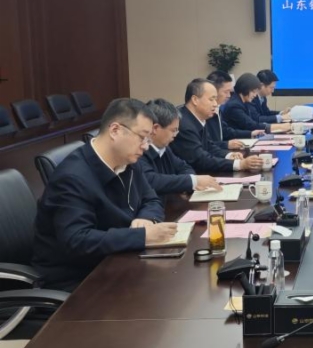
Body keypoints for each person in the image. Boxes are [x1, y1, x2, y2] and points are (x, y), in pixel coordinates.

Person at [32, 98, 177, 291]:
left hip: (117, 260)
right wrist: (141, 236)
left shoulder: (128, 161)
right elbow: (77, 241)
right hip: (78, 279)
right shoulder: (72, 178)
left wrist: (146, 218)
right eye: (142, 137)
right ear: (115, 130)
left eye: (148, 140)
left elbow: (151, 198)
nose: (145, 146)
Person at [170, 78, 263, 173]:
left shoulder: (198, 118)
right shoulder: (184, 124)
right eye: (211, 99)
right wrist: (239, 164)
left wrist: (228, 155)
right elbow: (200, 159)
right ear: (195, 100)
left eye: (215, 99)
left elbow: (209, 146)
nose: (215, 104)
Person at [140, 99, 221, 199]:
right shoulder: (140, 151)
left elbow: (184, 167)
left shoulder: (165, 148)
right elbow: (152, 180)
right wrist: (192, 182)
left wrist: (188, 184)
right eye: (173, 130)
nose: (175, 135)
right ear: (155, 128)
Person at [206, 70, 264, 148]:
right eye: (226, 92)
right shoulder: (206, 113)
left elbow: (225, 131)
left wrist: (250, 134)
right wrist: (227, 145)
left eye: (230, 92)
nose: (229, 96)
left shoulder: (217, 108)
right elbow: (206, 145)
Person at [224, 72, 292, 134]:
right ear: (245, 89)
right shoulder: (235, 105)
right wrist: (280, 127)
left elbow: (256, 120)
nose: (255, 95)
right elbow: (251, 125)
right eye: (253, 92)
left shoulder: (243, 101)